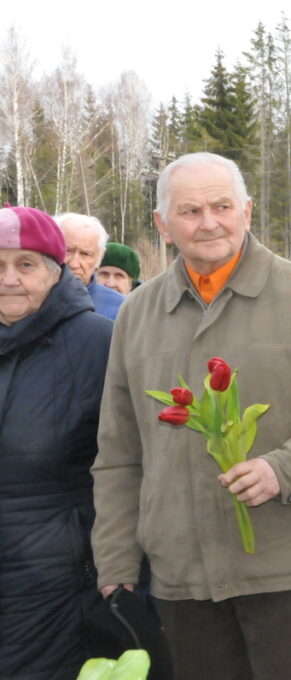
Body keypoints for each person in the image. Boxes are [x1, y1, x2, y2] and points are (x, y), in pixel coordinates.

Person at [90, 152, 291, 679]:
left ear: (247, 211)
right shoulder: (137, 314)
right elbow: (118, 454)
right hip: (182, 576)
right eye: (189, 211)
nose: (208, 222)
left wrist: (283, 468)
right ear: (162, 225)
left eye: (222, 206)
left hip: (289, 567)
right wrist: (115, 563)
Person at [0, 204, 113, 679]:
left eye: (25, 264)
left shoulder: (99, 342)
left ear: (54, 271)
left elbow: (129, 462)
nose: (8, 279)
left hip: (52, 572)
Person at [54, 213, 125, 319]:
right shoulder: (28, 300)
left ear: (99, 258)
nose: (74, 264)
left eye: (85, 254)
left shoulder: (120, 308)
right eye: (68, 251)